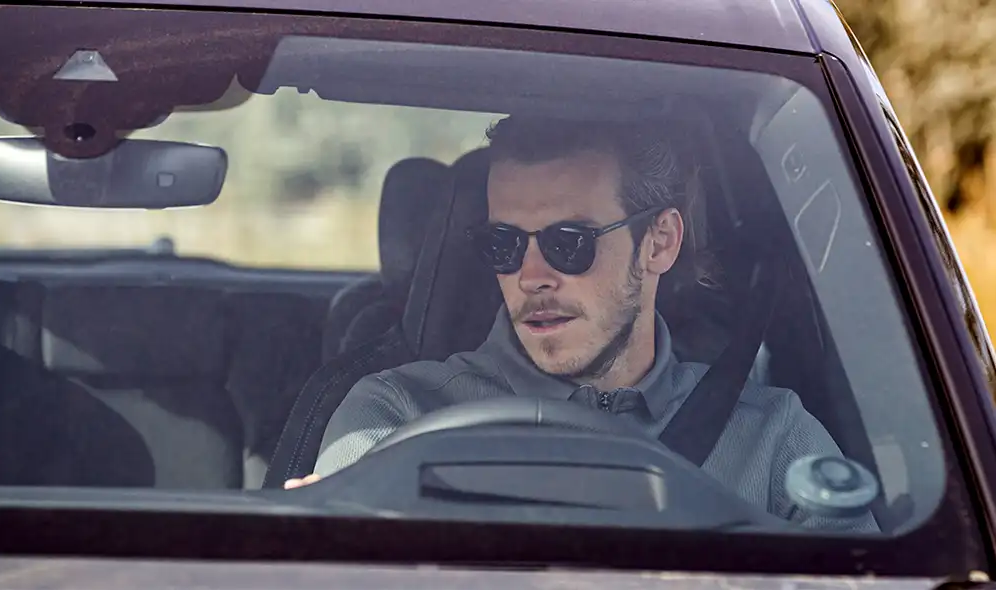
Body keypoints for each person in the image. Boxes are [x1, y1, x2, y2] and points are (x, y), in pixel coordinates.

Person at [285, 116, 878, 532]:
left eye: (570, 244)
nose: (532, 275)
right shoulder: (393, 416)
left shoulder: (774, 442)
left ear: (660, 242)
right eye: (504, 244)